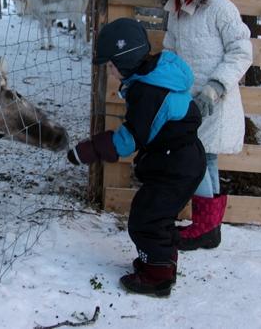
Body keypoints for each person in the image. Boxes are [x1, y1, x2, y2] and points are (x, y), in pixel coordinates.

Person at [67, 18, 206, 297]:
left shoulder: (149, 91)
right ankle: (161, 264)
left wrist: (91, 149)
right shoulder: (153, 77)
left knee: (145, 219)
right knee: (159, 215)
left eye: (111, 65)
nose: (111, 71)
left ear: (126, 60)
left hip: (176, 164)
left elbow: (128, 140)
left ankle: (157, 279)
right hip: (180, 160)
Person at [148, 0, 253, 251]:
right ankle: (209, 228)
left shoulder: (221, 9)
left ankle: (206, 228)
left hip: (214, 100)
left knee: (201, 157)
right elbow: (171, 51)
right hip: (187, 101)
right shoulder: (177, 12)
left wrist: (216, 86)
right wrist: (161, 82)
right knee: (200, 157)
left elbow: (241, 49)